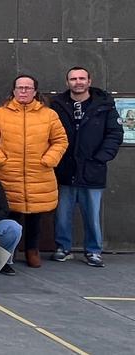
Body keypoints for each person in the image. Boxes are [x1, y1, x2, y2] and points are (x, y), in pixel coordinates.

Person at [0, 75, 68, 268]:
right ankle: (7, 254)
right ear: (13, 91)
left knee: (35, 218)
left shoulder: (49, 115)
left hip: (39, 175)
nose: (23, 91)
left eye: (28, 88)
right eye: (20, 88)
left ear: (35, 91)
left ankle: (32, 250)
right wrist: (0, 159)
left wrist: (49, 160)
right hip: (8, 174)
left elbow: (60, 140)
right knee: (10, 217)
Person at [50, 67, 123, 267]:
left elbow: (115, 134)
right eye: (73, 79)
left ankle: (93, 251)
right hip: (65, 169)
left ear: (89, 81)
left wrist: (101, 158)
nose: (78, 82)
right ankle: (63, 248)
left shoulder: (105, 105)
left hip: (93, 169)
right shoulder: (57, 105)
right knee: (62, 214)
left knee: (92, 214)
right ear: (67, 83)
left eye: (82, 78)